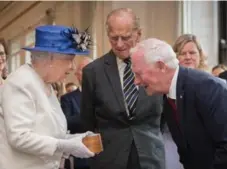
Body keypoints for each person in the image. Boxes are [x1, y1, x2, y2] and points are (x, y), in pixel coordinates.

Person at [0, 25, 95, 169]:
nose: (73, 67)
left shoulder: (45, 83)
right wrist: (67, 145)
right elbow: (19, 137)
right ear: (51, 58)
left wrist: (77, 139)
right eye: (70, 59)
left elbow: (47, 133)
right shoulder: (20, 82)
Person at [81, 8, 164, 169]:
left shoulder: (157, 66)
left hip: (150, 158)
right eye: (114, 38)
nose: (119, 44)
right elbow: (87, 124)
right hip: (108, 161)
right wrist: (94, 160)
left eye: (125, 37)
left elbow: (165, 118)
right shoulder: (93, 72)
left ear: (138, 34)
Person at [130, 38, 227, 169]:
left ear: (161, 66)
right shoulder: (168, 94)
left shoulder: (207, 88)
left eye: (139, 74)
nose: (136, 81)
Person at [61, 57, 92, 169]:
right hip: (82, 156)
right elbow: (65, 122)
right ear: (77, 75)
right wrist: (89, 116)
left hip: (106, 156)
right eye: (86, 70)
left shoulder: (105, 96)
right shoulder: (68, 99)